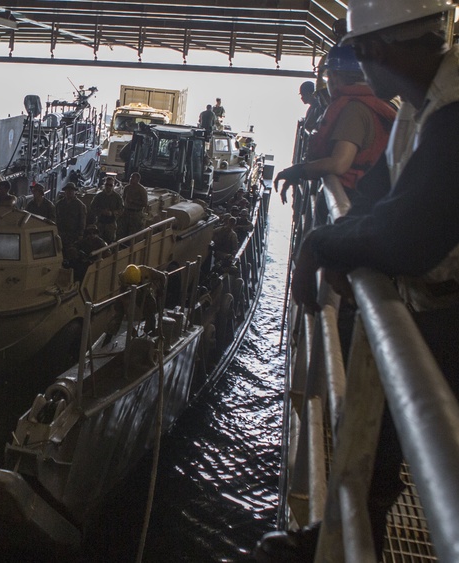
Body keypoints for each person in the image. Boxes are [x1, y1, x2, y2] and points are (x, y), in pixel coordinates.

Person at [255, 2, 459, 560]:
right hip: (433, 303)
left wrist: (321, 244)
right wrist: (340, 238)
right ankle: (342, 535)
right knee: (380, 431)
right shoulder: (422, 107)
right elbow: (380, 196)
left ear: (375, 53)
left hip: (449, 308)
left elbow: (411, 234)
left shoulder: (454, 109)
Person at [276, 44, 396, 205]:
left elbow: (339, 163)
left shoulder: (355, 110)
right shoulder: (370, 102)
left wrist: (298, 171)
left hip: (354, 201)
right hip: (367, 197)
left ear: (334, 76)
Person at [90, 175, 124, 243]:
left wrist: (112, 213)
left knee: (110, 241)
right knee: (98, 242)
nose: (108, 186)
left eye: (110, 185)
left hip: (111, 223)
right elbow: (92, 207)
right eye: (107, 184)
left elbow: (121, 209)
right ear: (104, 185)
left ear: (113, 186)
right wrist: (101, 211)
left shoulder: (117, 197)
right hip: (100, 222)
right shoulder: (99, 196)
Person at [55, 182, 87, 252]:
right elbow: (56, 218)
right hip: (61, 233)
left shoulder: (80, 205)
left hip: (73, 234)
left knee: (71, 251)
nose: (69, 192)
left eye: (71, 190)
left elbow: (82, 221)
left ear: (74, 192)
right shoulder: (59, 204)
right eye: (67, 190)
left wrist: (80, 234)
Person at [120, 173, 148, 238]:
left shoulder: (141, 190)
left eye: (133, 178)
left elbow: (145, 203)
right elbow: (123, 198)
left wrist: (134, 202)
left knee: (134, 231)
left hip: (136, 213)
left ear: (138, 179)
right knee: (123, 230)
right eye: (130, 177)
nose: (131, 179)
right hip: (126, 211)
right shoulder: (127, 188)